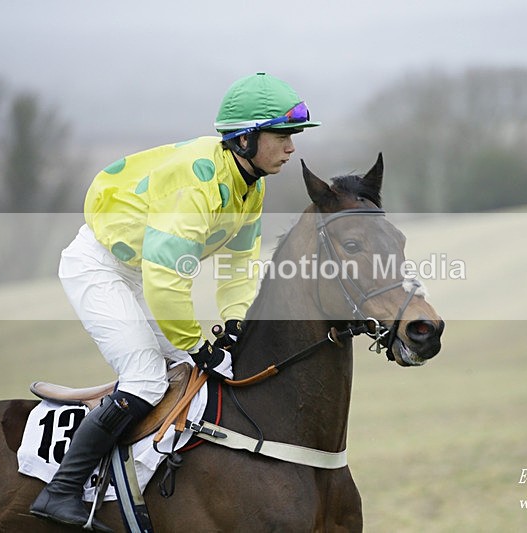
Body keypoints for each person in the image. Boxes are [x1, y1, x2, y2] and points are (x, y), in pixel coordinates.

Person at [30, 72, 320, 531]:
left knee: (196, 374)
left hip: (141, 271)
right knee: (146, 379)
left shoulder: (250, 185)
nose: (291, 147)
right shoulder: (196, 186)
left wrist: (236, 324)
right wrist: (197, 342)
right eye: (282, 135)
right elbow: (167, 282)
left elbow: (239, 267)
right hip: (100, 268)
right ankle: (60, 491)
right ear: (245, 139)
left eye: (292, 137)